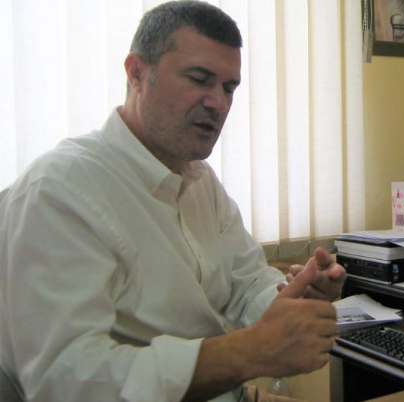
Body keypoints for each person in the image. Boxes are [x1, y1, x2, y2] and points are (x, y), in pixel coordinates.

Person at [0, 2, 346, 402]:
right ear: (136, 73)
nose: (218, 103)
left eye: (229, 88)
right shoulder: (59, 191)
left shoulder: (199, 181)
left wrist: (294, 295)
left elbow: (246, 282)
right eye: (199, 79)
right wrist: (247, 353)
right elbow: (67, 381)